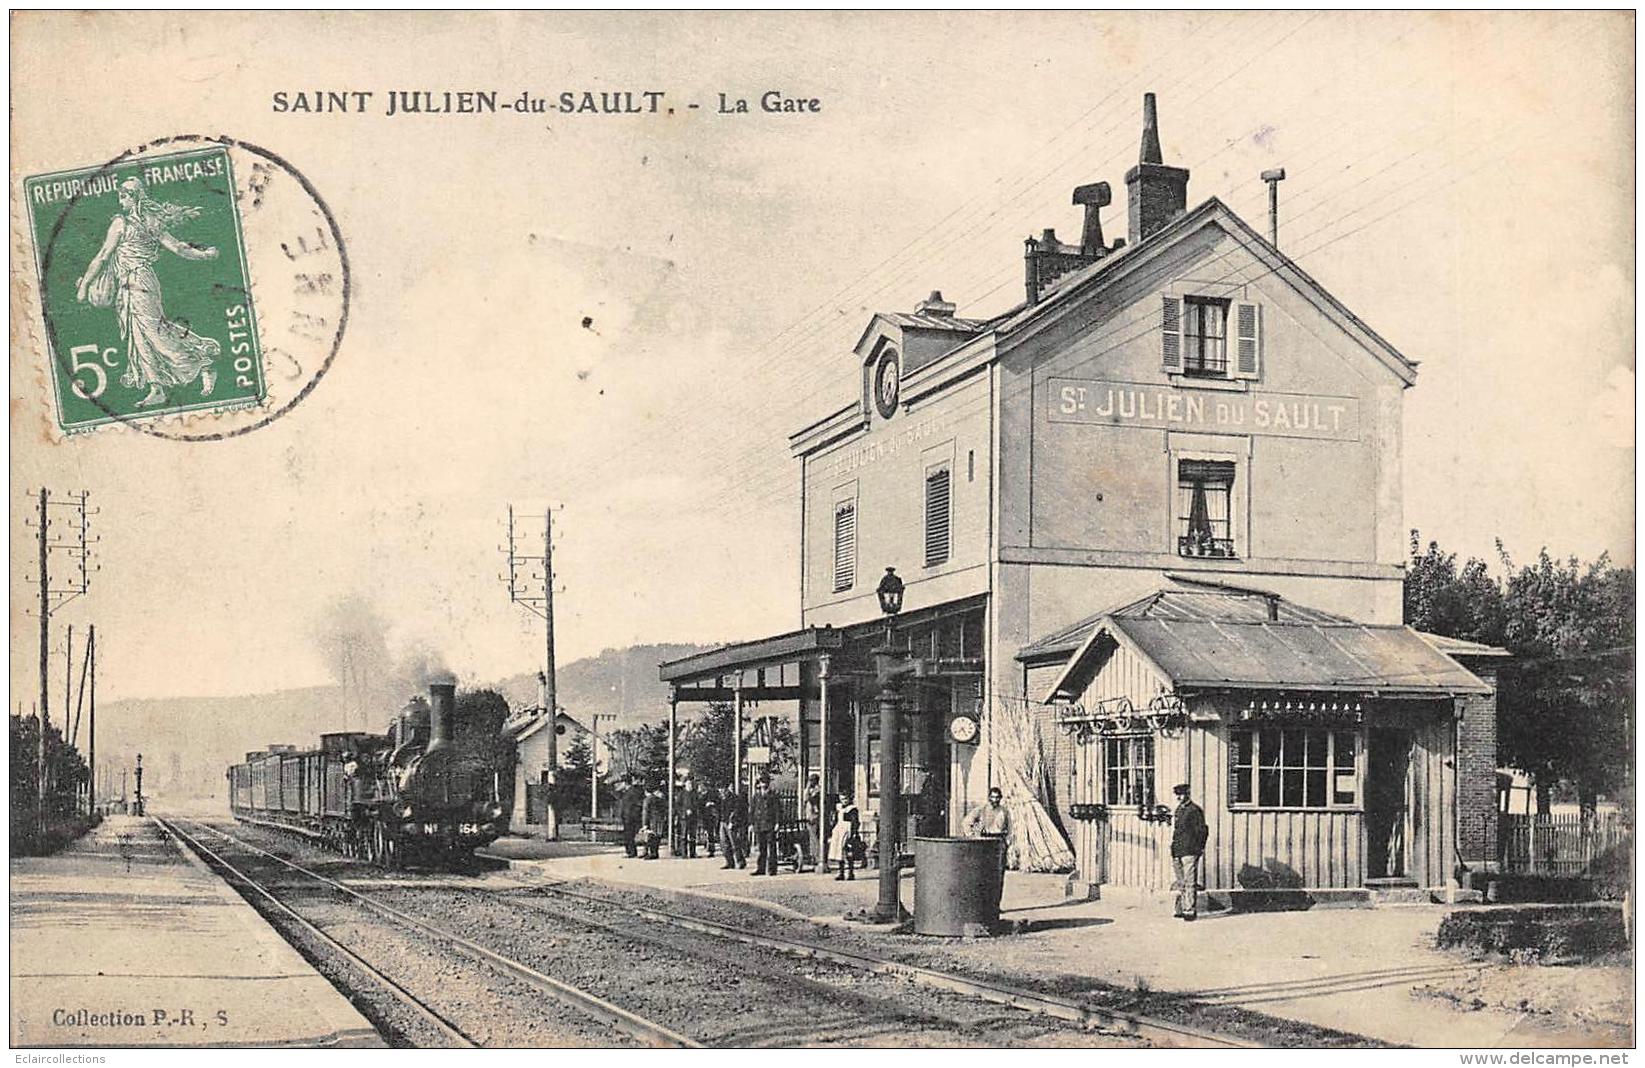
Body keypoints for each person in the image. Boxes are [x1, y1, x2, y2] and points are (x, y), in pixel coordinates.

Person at [74, 176, 222, 408]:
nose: (119, 200)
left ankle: (201, 364)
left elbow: (103, 255)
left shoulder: (122, 224)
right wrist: (204, 254)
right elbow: (179, 248)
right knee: (140, 335)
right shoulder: (149, 222)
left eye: (122, 195)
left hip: (138, 281)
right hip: (134, 282)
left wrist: (84, 287)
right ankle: (156, 389)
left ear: (130, 198)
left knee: (153, 332)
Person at [963, 786, 1015, 892]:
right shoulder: (982, 809)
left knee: (999, 874)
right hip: (985, 842)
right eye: (992, 797)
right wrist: (971, 836)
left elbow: (1010, 828)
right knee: (984, 874)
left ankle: (996, 904)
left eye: (997, 798)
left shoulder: (1004, 811)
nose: (995, 800)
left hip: (999, 842)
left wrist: (1007, 843)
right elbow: (966, 822)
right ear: (989, 798)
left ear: (1000, 798)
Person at [1170, 782, 1208, 921]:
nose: (1179, 798)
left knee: (1190, 881)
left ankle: (1190, 910)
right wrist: (1173, 849)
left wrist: (1199, 848)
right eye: (1177, 795)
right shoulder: (1179, 810)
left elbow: (1202, 831)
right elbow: (1177, 832)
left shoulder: (1194, 810)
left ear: (1187, 794)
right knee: (1181, 881)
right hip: (1178, 850)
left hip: (1190, 850)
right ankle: (1181, 908)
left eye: (1181, 795)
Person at [749, 776, 781, 876]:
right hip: (759, 825)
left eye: (765, 782)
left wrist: (777, 823)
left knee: (771, 847)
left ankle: (772, 869)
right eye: (762, 782)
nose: (763, 784)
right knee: (761, 848)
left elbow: (777, 810)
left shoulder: (773, 795)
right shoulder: (756, 796)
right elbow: (752, 811)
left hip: (769, 824)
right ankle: (761, 868)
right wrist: (751, 823)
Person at [830, 799, 862, 881]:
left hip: (847, 830)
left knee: (848, 851)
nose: (844, 801)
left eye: (845, 799)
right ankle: (841, 872)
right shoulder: (839, 808)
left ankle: (851, 873)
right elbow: (836, 820)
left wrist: (853, 833)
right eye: (842, 798)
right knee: (839, 852)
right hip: (839, 830)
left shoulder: (852, 809)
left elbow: (855, 822)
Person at [718, 783, 748, 870]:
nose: (721, 791)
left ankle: (740, 861)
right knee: (724, 844)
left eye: (722, 789)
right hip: (723, 822)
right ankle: (729, 862)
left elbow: (736, 811)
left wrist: (732, 822)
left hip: (730, 823)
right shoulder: (722, 799)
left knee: (734, 843)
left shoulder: (734, 798)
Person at [618, 776, 646, 858]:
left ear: (625, 783)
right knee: (628, 835)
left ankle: (631, 852)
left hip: (630, 817)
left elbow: (637, 804)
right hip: (628, 817)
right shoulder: (628, 792)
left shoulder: (632, 791)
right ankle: (631, 851)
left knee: (629, 835)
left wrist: (633, 815)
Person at [802, 772, 823, 869]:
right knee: (811, 837)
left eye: (811, 781)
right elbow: (804, 799)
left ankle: (818, 857)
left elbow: (809, 799)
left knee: (815, 837)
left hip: (815, 816)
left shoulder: (818, 790)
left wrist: (808, 789)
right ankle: (813, 856)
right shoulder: (810, 790)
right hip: (809, 815)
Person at [679, 777, 701, 858]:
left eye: (691, 784)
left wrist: (694, 810)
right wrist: (684, 812)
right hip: (684, 818)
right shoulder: (681, 794)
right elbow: (678, 805)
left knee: (693, 836)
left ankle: (692, 853)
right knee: (684, 836)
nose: (690, 785)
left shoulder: (695, 794)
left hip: (693, 817)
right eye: (688, 784)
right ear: (685, 785)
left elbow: (698, 804)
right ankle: (683, 853)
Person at [642, 785, 666, 860]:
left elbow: (645, 812)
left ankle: (651, 853)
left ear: (646, 792)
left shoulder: (647, 800)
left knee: (651, 837)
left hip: (651, 820)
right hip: (659, 820)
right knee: (656, 837)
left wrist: (645, 824)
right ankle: (655, 852)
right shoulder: (658, 799)